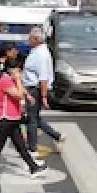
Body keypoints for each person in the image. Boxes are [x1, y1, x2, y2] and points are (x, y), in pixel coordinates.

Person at [0, 55, 47, 178]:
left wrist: (28, 95)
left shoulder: (9, 80)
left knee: (20, 146)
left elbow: (21, 92)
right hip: (5, 119)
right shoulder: (5, 80)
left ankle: (33, 167)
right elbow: (18, 95)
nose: (20, 72)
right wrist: (18, 80)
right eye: (18, 70)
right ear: (12, 70)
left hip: (12, 119)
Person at [23, 27, 63, 157]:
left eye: (30, 38)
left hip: (35, 90)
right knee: (34, 118)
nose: (28, 39)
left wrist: (44, 97)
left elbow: (43, 78)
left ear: (36, 39)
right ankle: (57, 136)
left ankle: (32, 149)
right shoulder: (37, 51)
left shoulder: (41, 54)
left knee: (31, 120)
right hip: (32, 88)